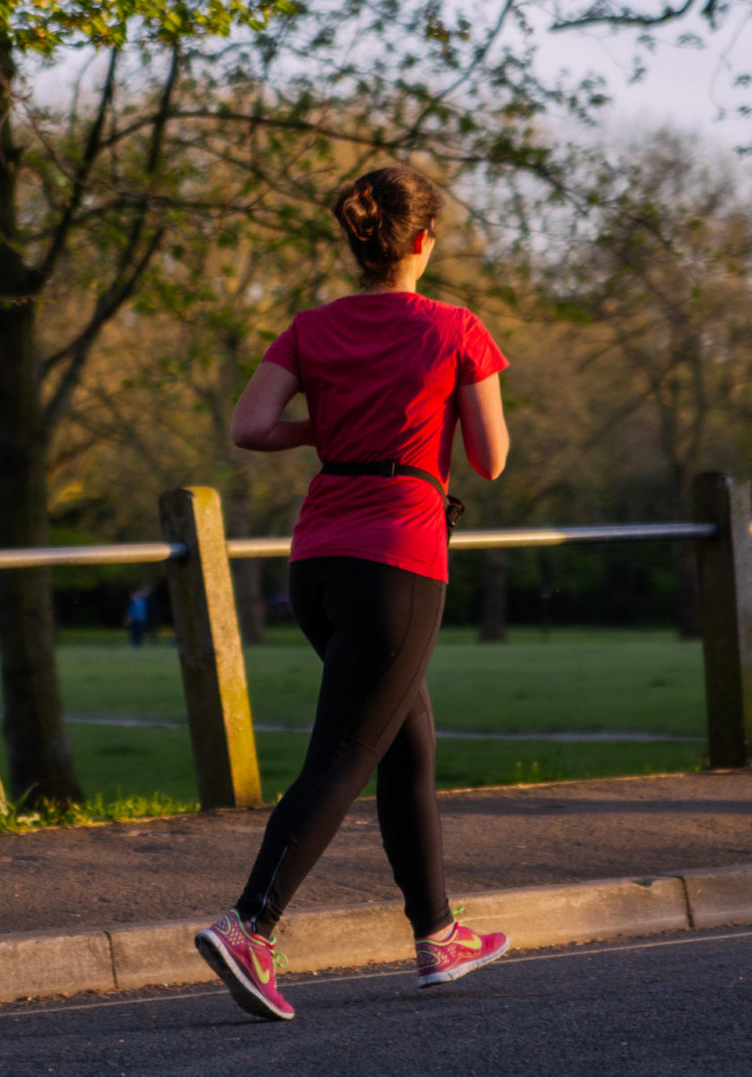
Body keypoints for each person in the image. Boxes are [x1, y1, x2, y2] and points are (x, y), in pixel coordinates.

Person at [194, 166, 512, 1022]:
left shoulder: (310, 328)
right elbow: (490, 457)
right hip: (399, 560)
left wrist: (327, 424)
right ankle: (250, 925)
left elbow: (251, 427)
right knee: (345, 751)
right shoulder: (457, 329)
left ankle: (438, 932)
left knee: (407, 740)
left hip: (319, 561)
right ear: (424, 240)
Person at [124, 584, 154, 649]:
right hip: (136, 620)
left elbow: (132, 612)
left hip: (140, 620)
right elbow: (130, 612)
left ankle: (138, 644)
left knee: (139, 632)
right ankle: (135, 644)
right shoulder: (135, 602)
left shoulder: (142, 601)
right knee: (135, 633)